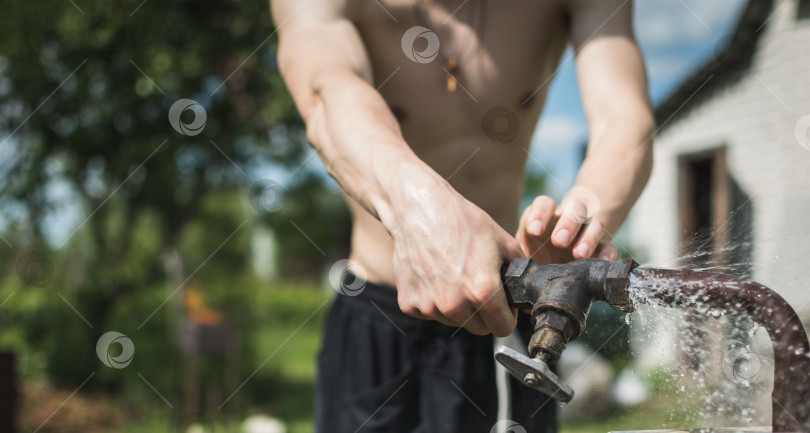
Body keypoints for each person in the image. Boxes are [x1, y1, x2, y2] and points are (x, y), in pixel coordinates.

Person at [272, 0, 653, 431]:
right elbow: (327, 89)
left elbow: (625, 118)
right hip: (379, 321)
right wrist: (415, 207)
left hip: (509, 322)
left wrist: (584, 215)